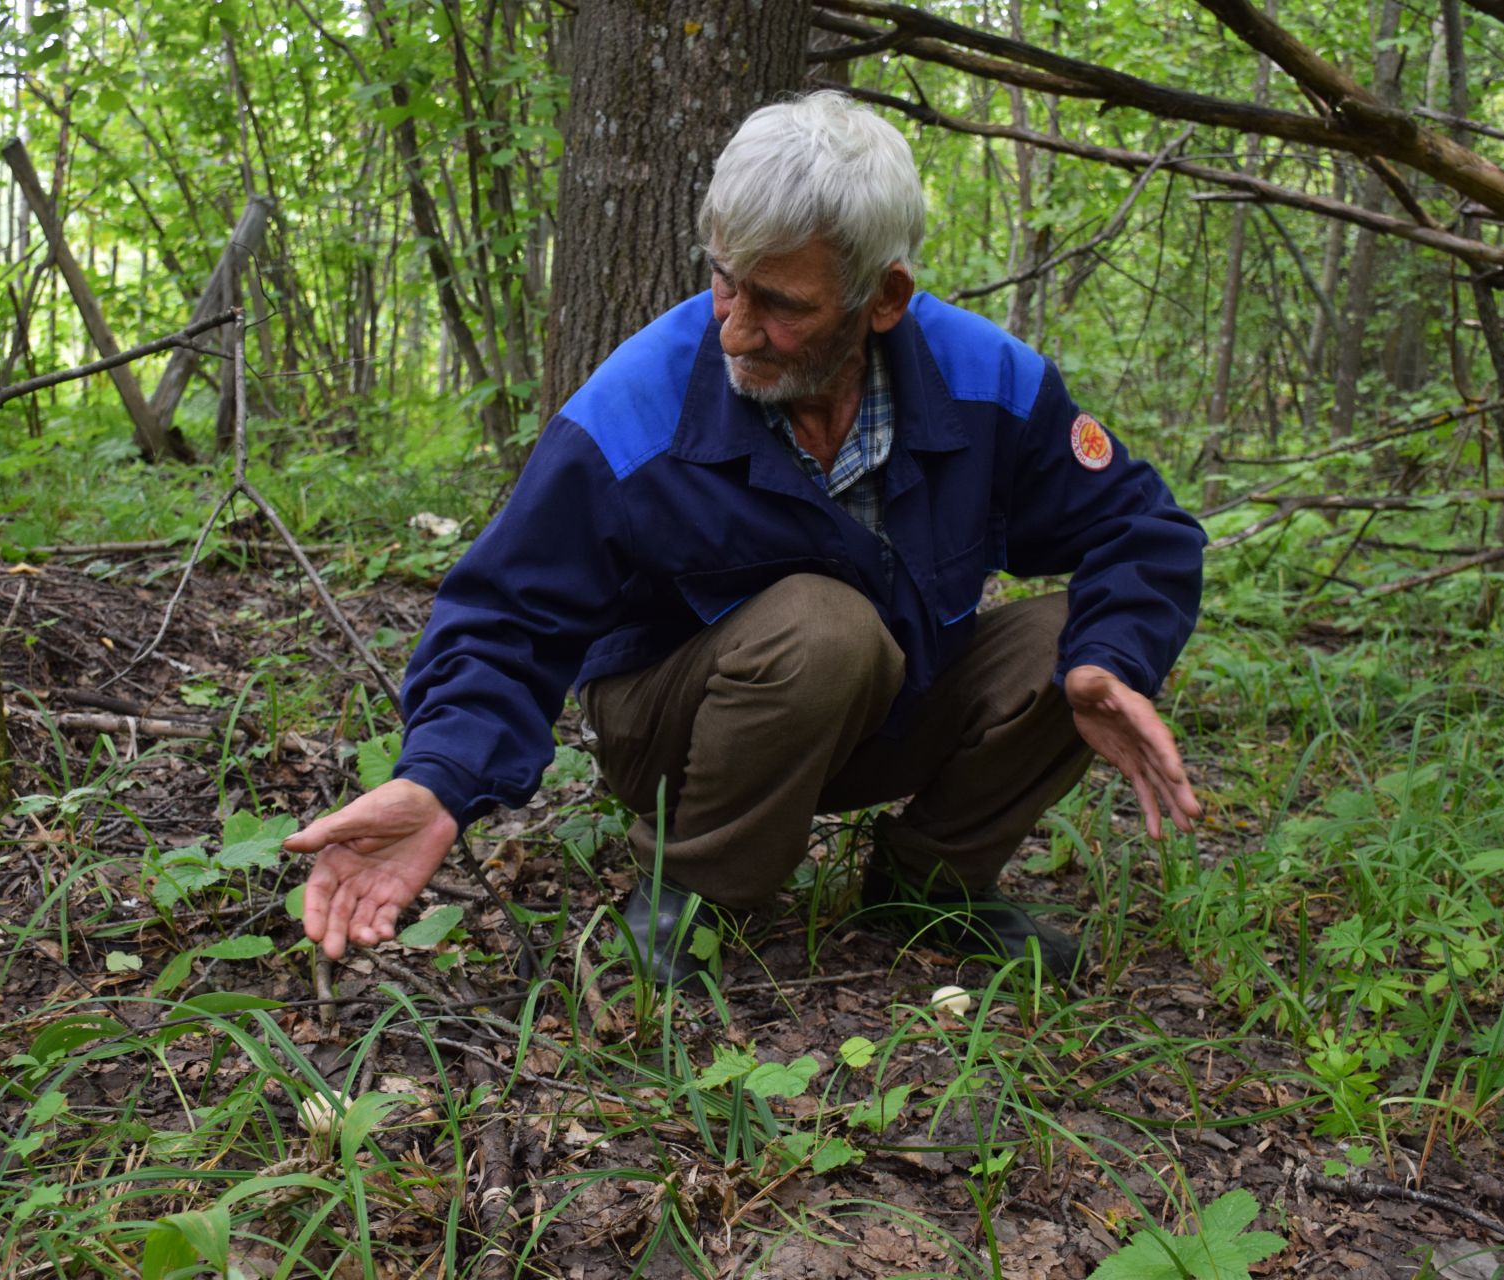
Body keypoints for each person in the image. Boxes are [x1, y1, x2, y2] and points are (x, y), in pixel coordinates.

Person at [285, 91, 1205, 986]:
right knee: (824, 624)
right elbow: (505, 615)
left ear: (883, 299)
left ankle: (930, 888)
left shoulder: (987, 382)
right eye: (723, 278)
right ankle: (694, 897)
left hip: (883, 704)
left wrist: (1112, 657)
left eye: (781, 304)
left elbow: (1146, 528)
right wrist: (442, 779)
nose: (733, 326)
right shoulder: (635, 408)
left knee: (1074, 645)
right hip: (679, 737)